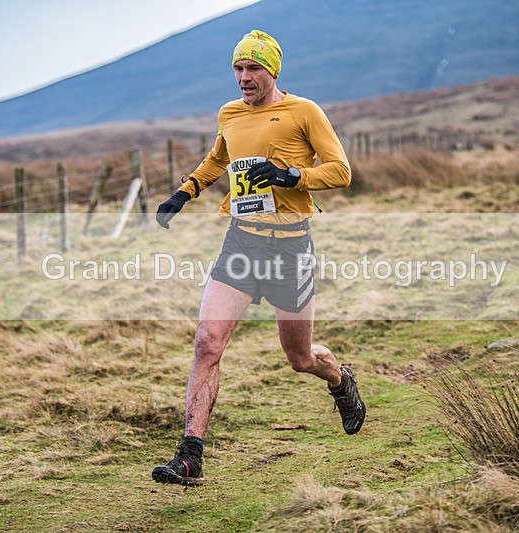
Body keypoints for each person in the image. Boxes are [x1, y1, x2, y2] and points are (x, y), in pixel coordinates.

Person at [152, 29, 365, 486]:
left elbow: (341, 171)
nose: (244, 77)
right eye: (238, 68)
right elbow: (218, 160)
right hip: (242, 241)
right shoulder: (229, 113)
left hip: (291, 246)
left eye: (254, 69)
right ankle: (190, 456)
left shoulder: (303, 111)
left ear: (273, 71)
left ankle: (339, 379)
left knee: (301, 357)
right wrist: (183, 193)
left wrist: (290, 176)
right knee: (208, 342)